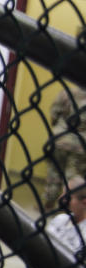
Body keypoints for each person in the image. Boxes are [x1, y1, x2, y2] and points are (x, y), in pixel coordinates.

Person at [22, 176, 86, 268]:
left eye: (68, 197)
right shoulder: (59, 221)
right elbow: (36, 253)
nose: (62, 199)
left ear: (84, 202)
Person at [44, 81, 86, 209]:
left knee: (53, 172)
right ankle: (68, 207)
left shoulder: (66, 93)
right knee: (73, 177)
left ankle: (48, 204)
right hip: (81, 143)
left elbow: (54, 114)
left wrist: (61, 128)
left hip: (60, 138)